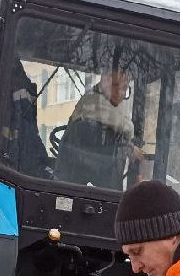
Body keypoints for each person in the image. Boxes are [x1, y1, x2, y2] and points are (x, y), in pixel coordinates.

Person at [55, 56, 144, 190]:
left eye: (125, 88)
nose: (121, 92)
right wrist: (129, 147)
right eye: (117, 86)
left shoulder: (113, 105)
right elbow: (123, 126)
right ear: (105, 80)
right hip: (72, 185)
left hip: (98, 183)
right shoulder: (92, 101)